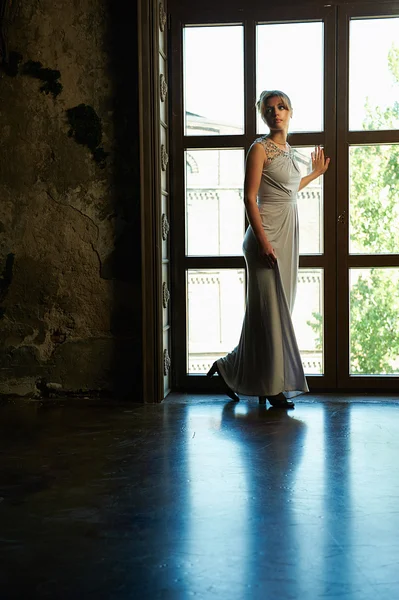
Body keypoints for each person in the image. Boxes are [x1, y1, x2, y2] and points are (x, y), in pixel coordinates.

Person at [207, 89, 330, 409]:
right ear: (262, 114)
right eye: (269, 108)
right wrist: (262, 242)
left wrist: (314, 174)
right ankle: (271, 386)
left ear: (290, 112)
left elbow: (288, 190)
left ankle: (228, 369)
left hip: (288, 236)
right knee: (268, 314)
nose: (276, 112)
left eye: (281, 107)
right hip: (264, 237)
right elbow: (249, 198)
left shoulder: (290, 151)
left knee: (274, 312)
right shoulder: (258, 149)